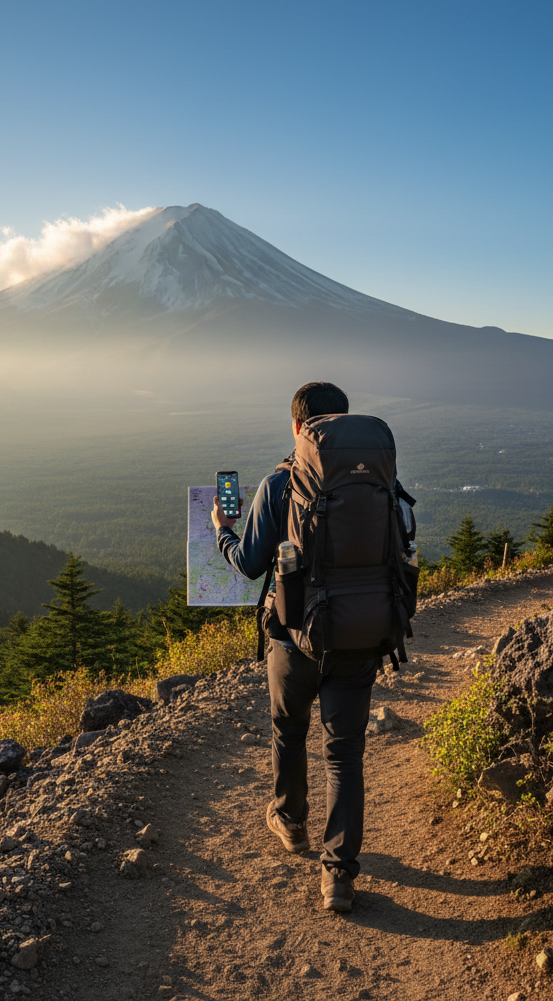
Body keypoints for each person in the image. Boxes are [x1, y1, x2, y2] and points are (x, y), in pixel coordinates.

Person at [209, 380, 384, 914]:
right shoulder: (376, 480)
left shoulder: (278, 484)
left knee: (290, 728)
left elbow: (250, 564)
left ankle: (291, 822)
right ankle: (338, 878)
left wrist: (222, 530)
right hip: (360, 634)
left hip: (293, 638)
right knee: (345, 753)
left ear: (298, 427)